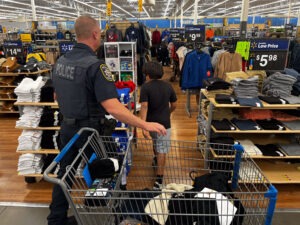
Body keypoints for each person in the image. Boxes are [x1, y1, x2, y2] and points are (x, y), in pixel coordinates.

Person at [47, 15, 166, 225]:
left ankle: (56, 219)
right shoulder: (95, 66)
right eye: (100, 33)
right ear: (94, 34)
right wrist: (144, 123)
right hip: (92, 132)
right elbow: (114, 108)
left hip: (67, 127)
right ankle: (119, 212)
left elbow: (57, 96)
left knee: (64, 172)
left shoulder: (61, 62)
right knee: (112, 166)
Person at [139, 61, 177, 190]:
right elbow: (174, 105)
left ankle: (158, 168)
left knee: (155, 144)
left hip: (150, 123)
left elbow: (144, 106)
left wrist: (143, 126)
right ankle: (159, 178)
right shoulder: (168, 86)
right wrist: (168, 112)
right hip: (164, 124)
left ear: (147, 75)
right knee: (162, 149)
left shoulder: (145, 87)